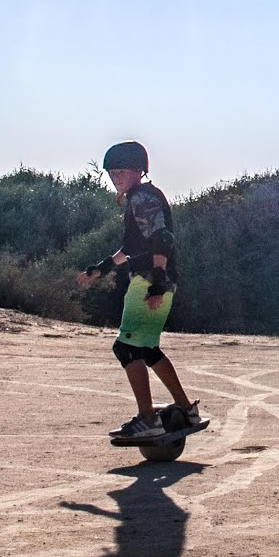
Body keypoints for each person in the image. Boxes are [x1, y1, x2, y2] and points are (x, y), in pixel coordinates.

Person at [77, 140, 201, 438]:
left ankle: (148, 419)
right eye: (112, 173)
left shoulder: (141, 196)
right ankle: (186, 409)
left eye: (121, 171)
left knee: (126, 347)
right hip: (159, 279)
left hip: (148, 282)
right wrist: (102, 268)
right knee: (146, 349)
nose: (115, 177)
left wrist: (156, 281)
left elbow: (162, 238)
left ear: (138, 171)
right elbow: (133, 247)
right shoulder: (144, 195)